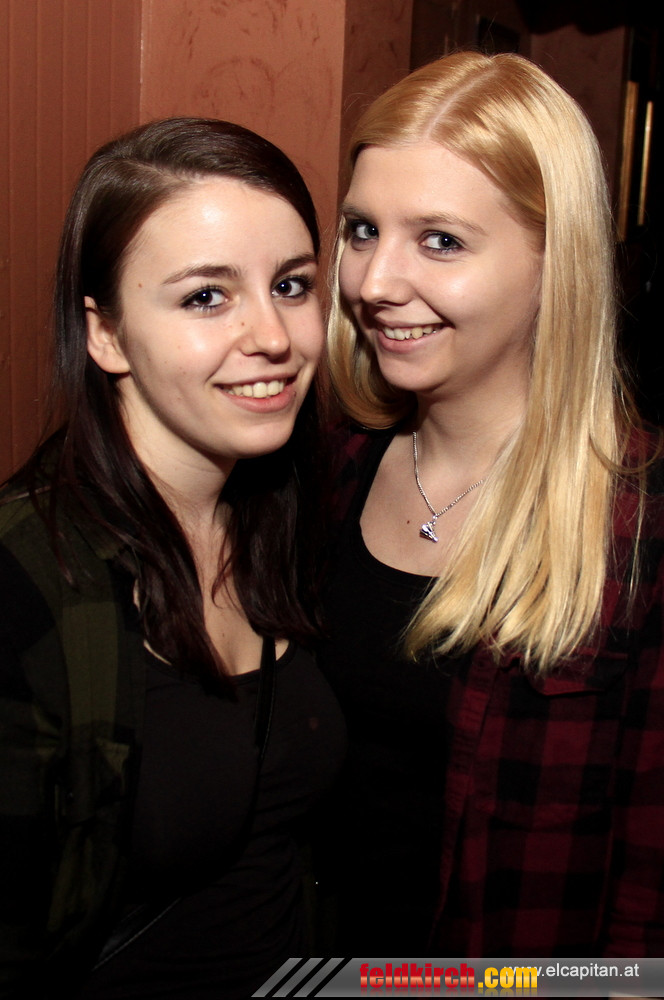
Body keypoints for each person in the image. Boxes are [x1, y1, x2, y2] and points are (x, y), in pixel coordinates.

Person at [317, 50, 664, 957]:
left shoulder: (639, 523)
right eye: (362, 231)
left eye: (440, 240)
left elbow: (649, 894)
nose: (375, 283)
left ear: (555, 263)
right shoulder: (325, 473)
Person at [0, 117, 345, 998]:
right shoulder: (26, 584)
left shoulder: (286, 513)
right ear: (106, 335)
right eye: (206, 297)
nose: (273, 336)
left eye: (292, 285)